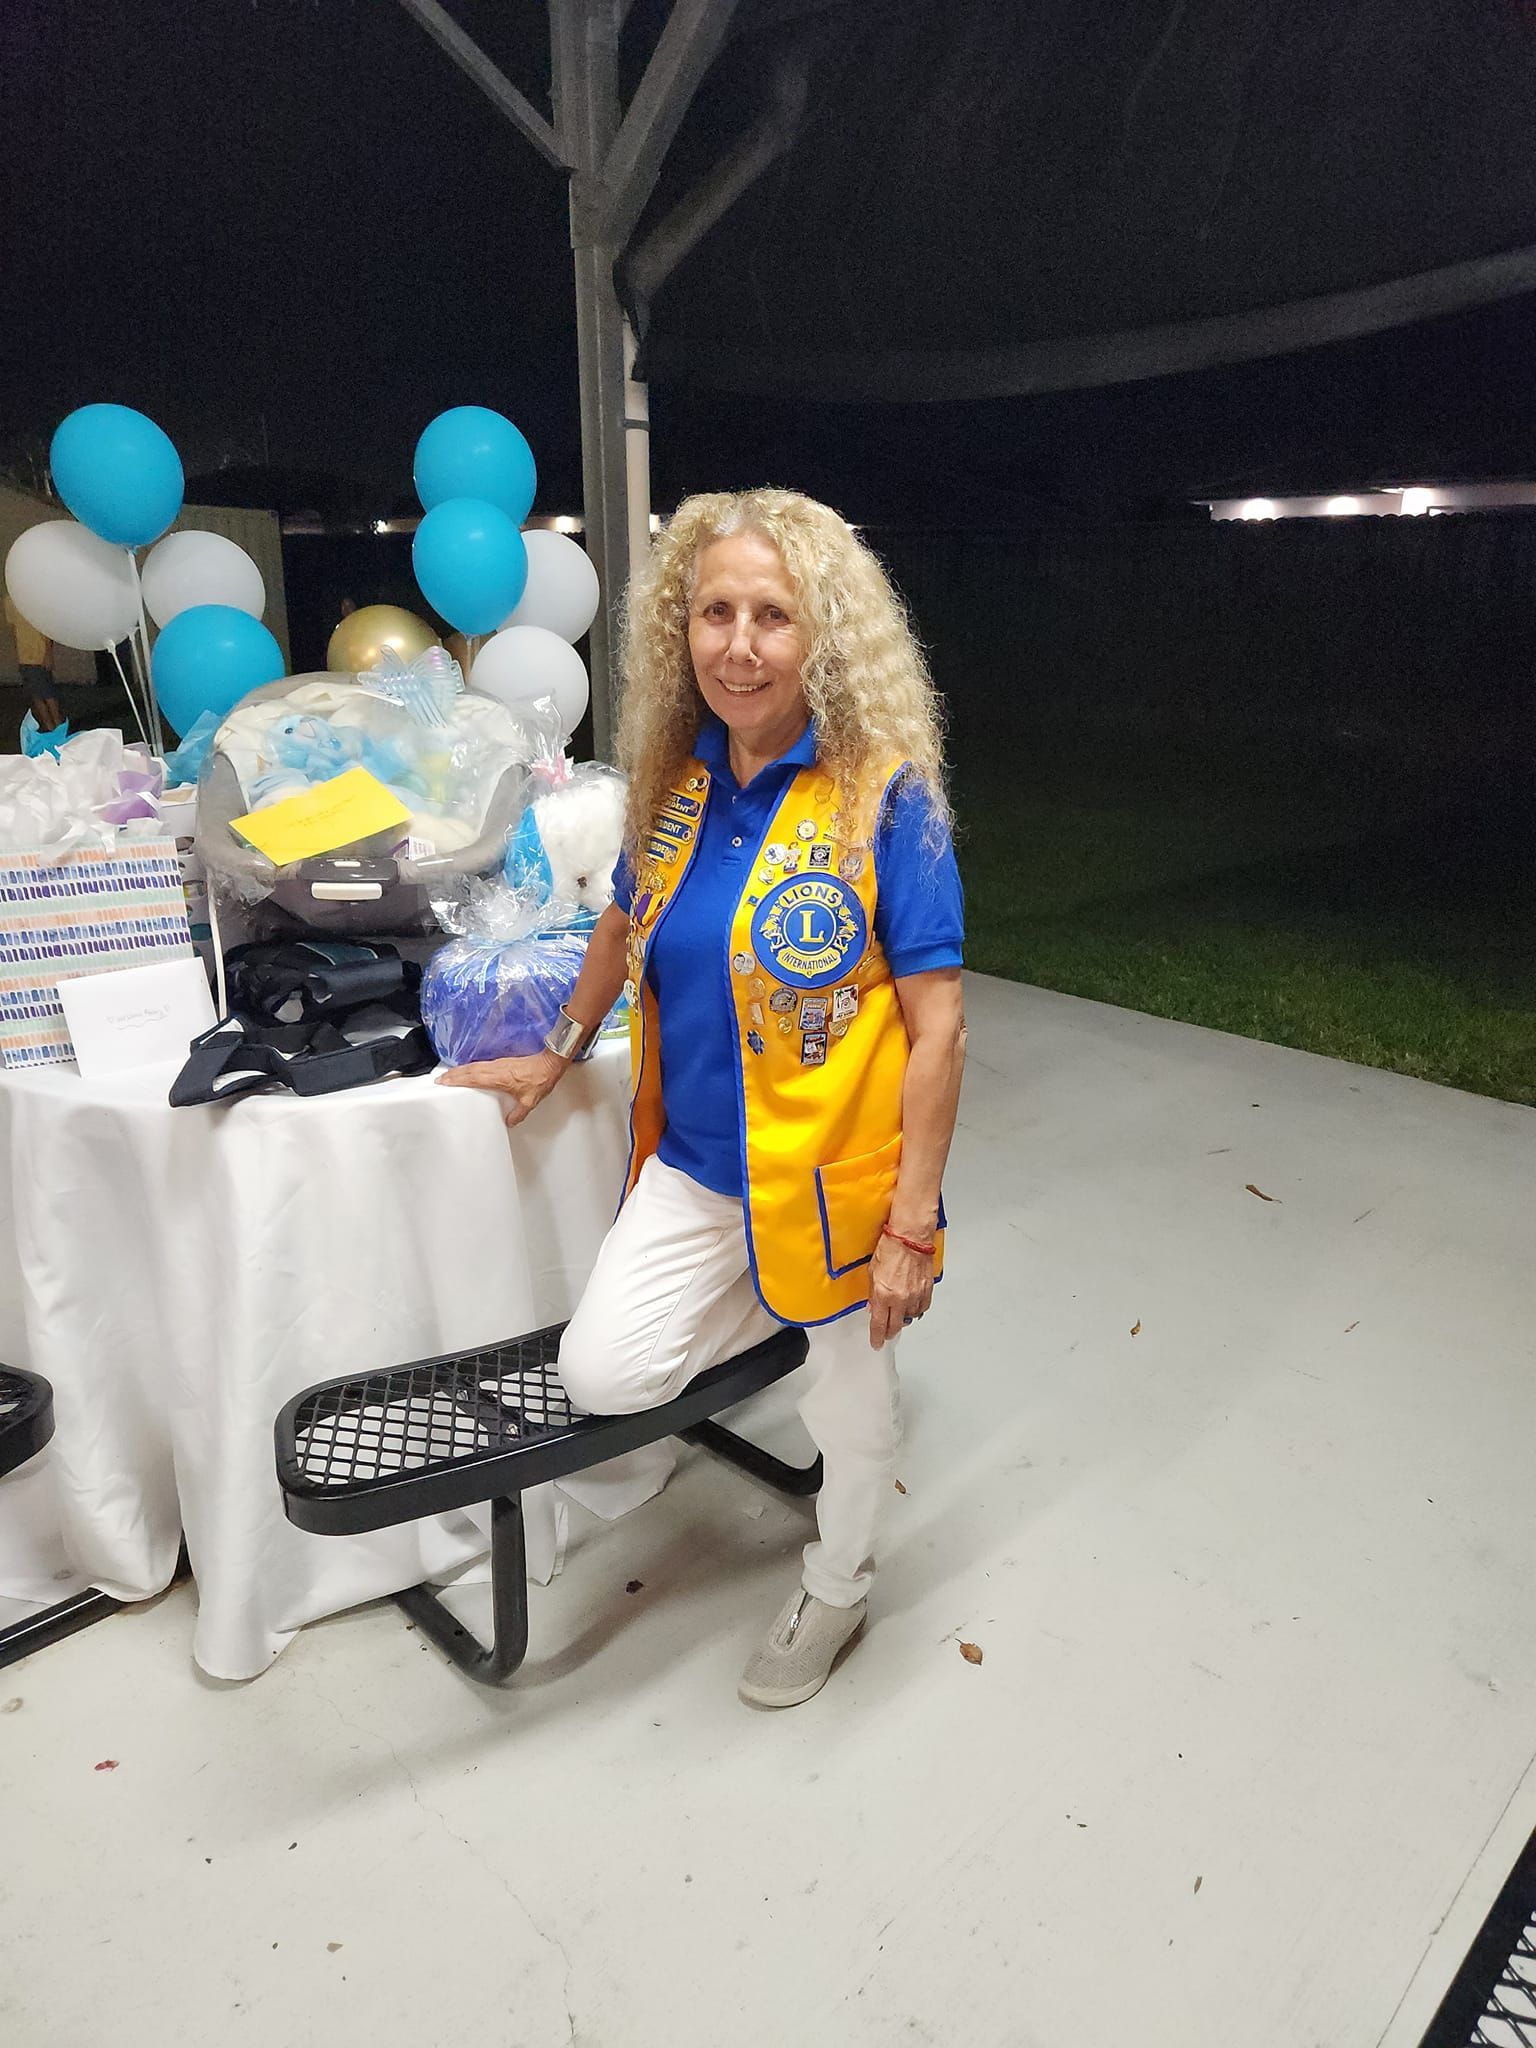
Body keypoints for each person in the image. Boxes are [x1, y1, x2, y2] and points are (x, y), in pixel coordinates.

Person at [441, 489, 966, 1708]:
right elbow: (623, 922)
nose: (739, 644)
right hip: (696, 1164)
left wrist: (913, 1224)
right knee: (604, 1376)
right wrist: (560, 1049)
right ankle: (794, 1312)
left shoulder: (886, 801)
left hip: (840, 1181)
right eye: (715, 611)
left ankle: (838, 1581)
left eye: (772, 616)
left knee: (853, 1409)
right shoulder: (674, 793)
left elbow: (939, 1026)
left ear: (821, 634)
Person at [4, 590, 61, 737]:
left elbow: (47, 630)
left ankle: (59, 726)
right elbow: (14, 628)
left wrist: (48, 654)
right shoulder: (10, 601)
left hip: (39, 656)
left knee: (48, 694)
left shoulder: (35, 600)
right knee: (35, 694)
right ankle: (49, 726)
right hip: (25, 657)